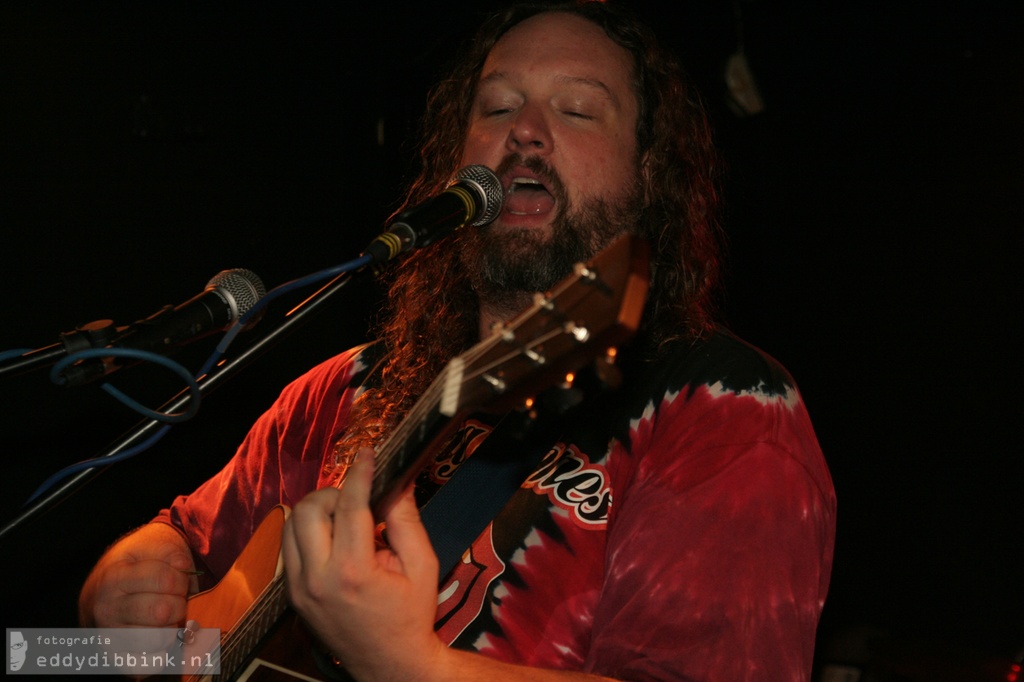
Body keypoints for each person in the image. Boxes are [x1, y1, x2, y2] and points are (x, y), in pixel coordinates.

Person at [78, 2, 836, 681]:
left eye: (577, 110)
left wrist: (411, 669)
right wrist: (119, 587)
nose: (526, 132)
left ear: (650, 174)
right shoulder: (339, 394)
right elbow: (94, 638)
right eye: (498, 106)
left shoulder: (722, 410)